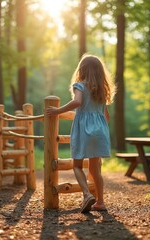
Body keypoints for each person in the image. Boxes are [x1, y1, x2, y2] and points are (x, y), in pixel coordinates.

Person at [46, 54, 116, 213]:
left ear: (82, 69)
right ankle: (100, 202)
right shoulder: (102, 91)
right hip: (100, 131)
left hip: (83, 129)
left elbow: (77, 102)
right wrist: (99, 129)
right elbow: (107, 117)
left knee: (77, 165)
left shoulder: (80, 86)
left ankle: (86, 194)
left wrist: (58, 111)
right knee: (95, 169)